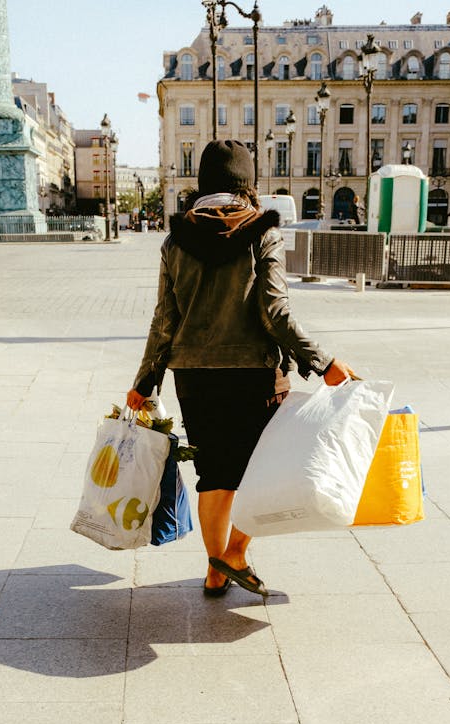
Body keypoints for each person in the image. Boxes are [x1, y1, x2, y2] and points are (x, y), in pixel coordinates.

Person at [127, 139, 356, 597]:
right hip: (254, 374)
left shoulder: (175, 241)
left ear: (203, 184)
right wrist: (323, 361)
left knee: (214, 472)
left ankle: (215, 571)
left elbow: (164, 319)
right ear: (248, 185)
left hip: (193, 375)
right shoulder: (263, 233)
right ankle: (233, 554)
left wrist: (145, 381)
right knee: (261, 468)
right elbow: (275, 312)